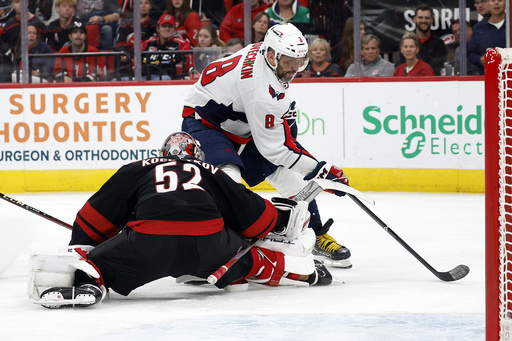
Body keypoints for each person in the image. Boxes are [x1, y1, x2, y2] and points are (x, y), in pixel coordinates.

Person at [33, 131, 331, 308]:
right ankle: (306, 274)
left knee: (96, 264)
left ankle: (89, 285)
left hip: (149, 244)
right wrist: (278, 219)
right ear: (198, 155)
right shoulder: (210, 171)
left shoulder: (138, 168)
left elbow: (94, 216)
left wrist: (86, 248)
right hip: (210, 246)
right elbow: (252, 215)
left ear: (162, 155)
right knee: (251, 259)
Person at [181, 23, 353, 269]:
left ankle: (315, 234)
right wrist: (320, 169)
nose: (294, 69)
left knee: (294, 181)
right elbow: (275, 149)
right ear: (271, 55)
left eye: (299, 61)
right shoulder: (260, 89)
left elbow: (280, 138)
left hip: (241, 125)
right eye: (288, 62)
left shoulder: (268, 56)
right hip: (207, 125)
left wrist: (310, 168)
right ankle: (220, 245)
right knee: (228, 180)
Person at [114, 0, 157, 80]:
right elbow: (120, 44)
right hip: (128, 64)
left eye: (146, 3)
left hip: (148, 65)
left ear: (150, 6)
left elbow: (153, 45)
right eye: (140, 3)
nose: (143, 6)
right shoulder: (126, 24)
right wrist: (125, 54)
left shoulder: (154, 26)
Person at [141, 13, 192, 80]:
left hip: (168, 79)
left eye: (170, 26)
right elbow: (137, 64)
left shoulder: (182, 44)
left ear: (175, 29)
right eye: (164, 26)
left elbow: (185, 66)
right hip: (146, 77)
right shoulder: (148, 43)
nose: (167, 29)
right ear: (158, 28)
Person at [468, 0, 506, 75]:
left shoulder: (510, 23)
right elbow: (470, 53)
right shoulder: (479, 28)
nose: (496, 3)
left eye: (500, 0)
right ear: (489, 3)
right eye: (492, 0)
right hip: (487, 78)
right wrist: (479, 60)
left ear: (506, 3)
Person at [412, 4, 447, 75]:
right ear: (414, 19)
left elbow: (437, 67)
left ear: (432, 20)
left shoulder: (439, 43)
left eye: (427, 18)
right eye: (420, 17)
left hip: (432, 83)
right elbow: (406, 64)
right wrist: (429, 60)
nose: (423, 21)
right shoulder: (406, 42)